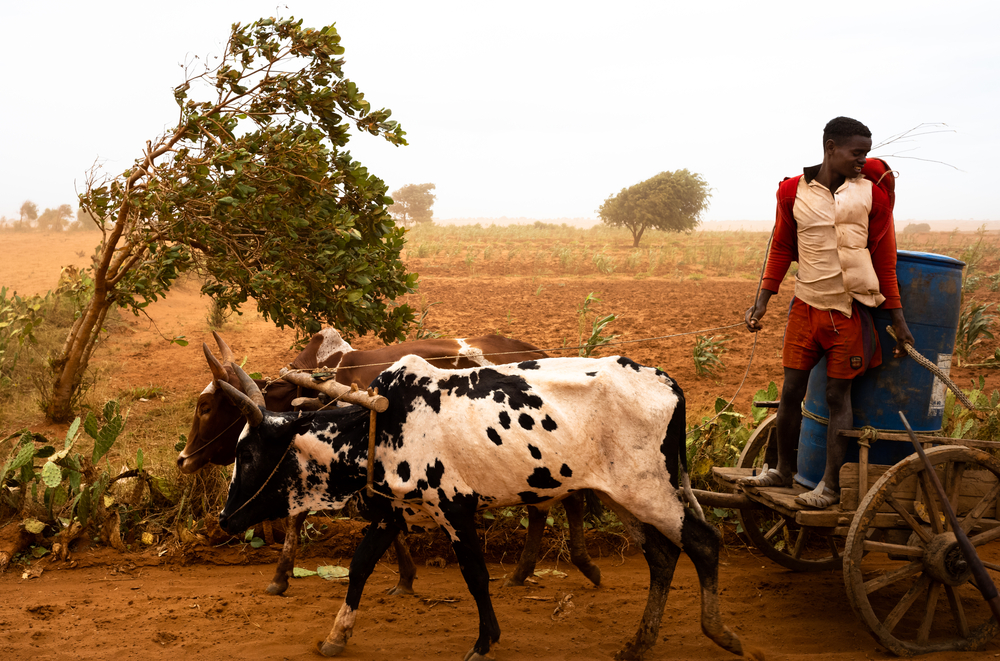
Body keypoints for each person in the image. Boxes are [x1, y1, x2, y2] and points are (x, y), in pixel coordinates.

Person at [740, 116, 914, 509]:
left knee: (838, 395)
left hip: (849, 311)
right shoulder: (792, 192)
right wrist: (763, 299)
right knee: (790, 391)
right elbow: (782, 248)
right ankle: (784, 469)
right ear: (831, 147)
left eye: (866, 154)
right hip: (805, 307)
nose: (862, 160)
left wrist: (898, 318)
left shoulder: (873, 196)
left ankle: (830, 488)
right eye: (857, 153)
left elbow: (885, 262)